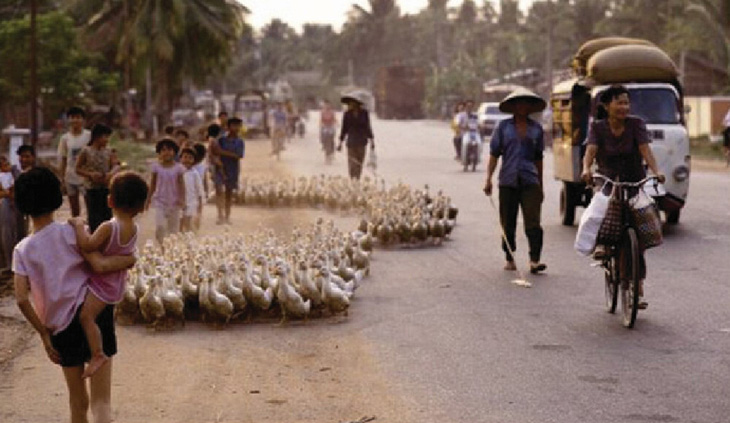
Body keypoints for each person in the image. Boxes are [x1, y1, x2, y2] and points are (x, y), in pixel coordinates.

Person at [12, 167, 136, 423]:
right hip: (94, 314)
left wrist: (44, 334)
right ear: (57, 196)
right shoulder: (73, 231)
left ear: (22, 205)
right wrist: (128, 260)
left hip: (60, 329)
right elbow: (99, 263)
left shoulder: (22, 250)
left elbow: (22, 299)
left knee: (78, 403)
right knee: (102, 403)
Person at [581, 84, 666, 308]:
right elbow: (590, 152)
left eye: (626, 102)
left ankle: (637, 282)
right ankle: (602, 247)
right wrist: (586, 169)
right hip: (607, 181)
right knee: (600, 213)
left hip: (634, 181)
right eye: (619, 102)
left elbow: (645, 150)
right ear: (607, 106)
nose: (624, 107)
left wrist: (656, 171)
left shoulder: (636, 124)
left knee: (641, 227)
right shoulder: (598, 128)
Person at [68, 171, 148, 379]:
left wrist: (78, 226)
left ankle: (97, 354)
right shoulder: (134, 227)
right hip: (115, 283)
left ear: (109, 200)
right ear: (141, 206)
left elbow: (87, 244)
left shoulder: (108, 227)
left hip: (103, 285)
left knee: (86, 317)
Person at [484, 88, 548, 274]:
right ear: (513, 106)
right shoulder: (503, 128)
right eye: (518, 103)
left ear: (530, 107)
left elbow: (539, 158)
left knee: (533, 223)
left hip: (530, 180)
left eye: (526, 103)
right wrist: (488, 178)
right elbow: (494, 155)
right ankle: (509, 256)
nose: (522, 106)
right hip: (508, 181)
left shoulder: (536, 129)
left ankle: (534, 259)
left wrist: (540, 186)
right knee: (508, 222)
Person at [75, 123, 119, 232]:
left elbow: (116, 165)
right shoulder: (86, 151)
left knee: (107, 215)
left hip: (106, 187)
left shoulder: (109, 151)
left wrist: (110, 173)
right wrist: (90, 175)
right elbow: (77, 169)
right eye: (105, 137)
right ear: (96, 137)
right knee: (94, 216)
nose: (107, 140)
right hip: (92, 189)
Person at [146, 138, 185, 244]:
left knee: (173, 229)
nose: (166, 152)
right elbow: (152, 184)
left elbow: (181, 185)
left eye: (169, 149)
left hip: (175, 202)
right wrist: (147, 200)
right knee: (160, 226)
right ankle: (161, 245)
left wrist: (182, 199)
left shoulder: (178, 168)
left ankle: (170, 250)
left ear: (174, 152)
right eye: (163, 150)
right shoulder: (156, 167)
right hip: (160, 201)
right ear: (159, 153)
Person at [57, 106, 90, 217]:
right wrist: (61, 178)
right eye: (72, 117)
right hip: (70, 176)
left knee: (90, 206)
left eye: (78, 117)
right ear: (68, 120)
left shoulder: (88, 136)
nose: (75, 120)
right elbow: (63, 158)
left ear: (83, 120)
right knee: (75, 210)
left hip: (86, 176)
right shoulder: (65, 138)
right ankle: (76, 232)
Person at [214, 118, 245, 225]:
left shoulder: (240, 141)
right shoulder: (221, 139)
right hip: (220, 168)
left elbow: (239, 155)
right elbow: (215, 151)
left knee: (228, 193)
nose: (236, 128)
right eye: (234, 125)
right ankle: (220, 215)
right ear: (228, 126)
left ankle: (227, 216)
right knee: (219, 190)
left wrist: (222, 152)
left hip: (232, 169)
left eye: (238, 126)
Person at [338, 96, 375, 180]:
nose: (349, 105)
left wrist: (372, 140)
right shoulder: (347, 114)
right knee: (352, 163)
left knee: (359, 163)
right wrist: (340, 142)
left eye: (350, 103)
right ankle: (352, 179)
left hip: (362, 142)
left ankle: (357, 179)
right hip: (351, 142)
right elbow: (344, 129)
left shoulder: (364, 113)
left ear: (356, 104)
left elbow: (367, 127)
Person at [179, 148, 204, 232]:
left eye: (190, 158)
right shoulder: (176, 172)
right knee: (178, 225)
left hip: (191, 203)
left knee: (188, 225)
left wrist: (200, 206)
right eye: (185, 157)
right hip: (178, 203)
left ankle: (187, 241)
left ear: (194, 160)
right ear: (180, 158)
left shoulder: (194, 174)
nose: (187, 160)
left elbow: (199, 190)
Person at [0, 155, 17, 272]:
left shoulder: (11, 174)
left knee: (10, 233)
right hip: (4, 203)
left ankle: (10, 262)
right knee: (6, 233)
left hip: (9, 203)